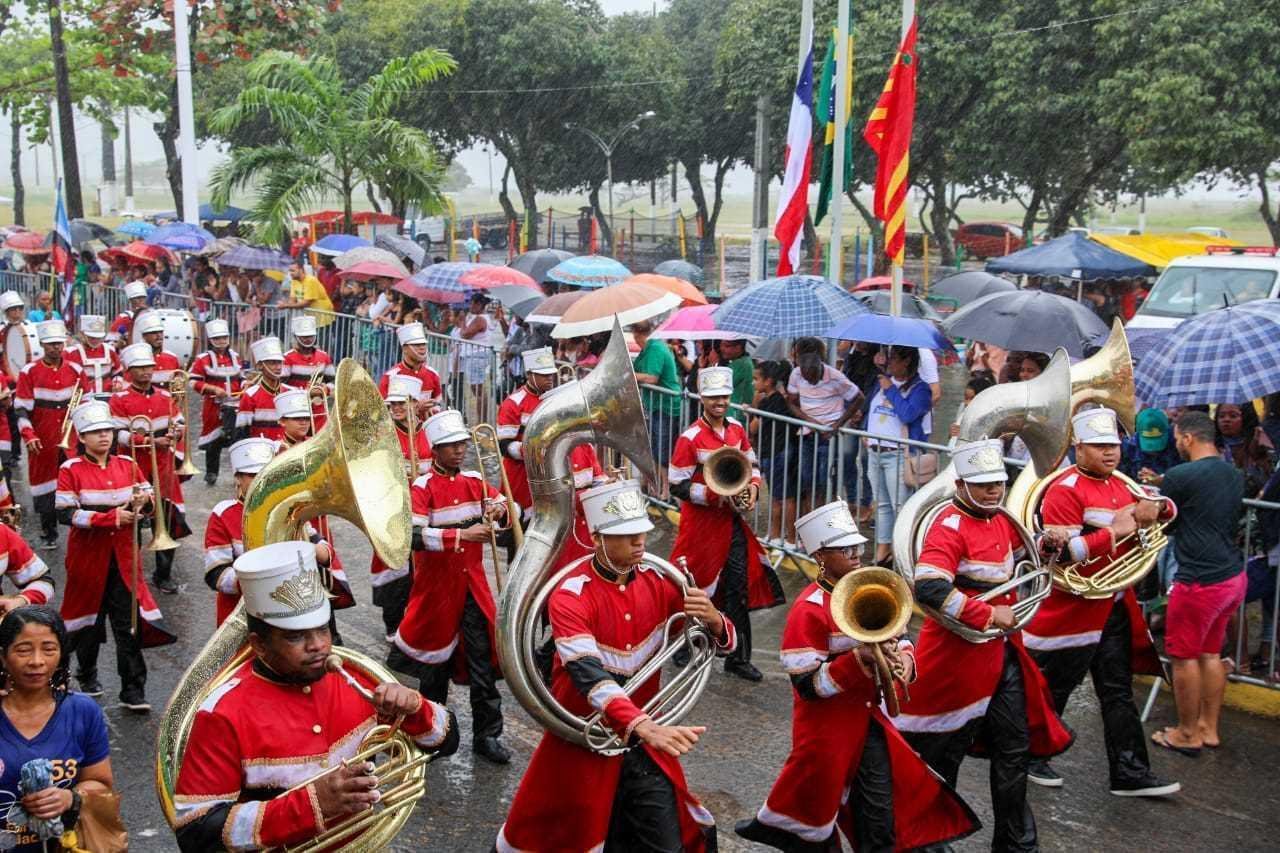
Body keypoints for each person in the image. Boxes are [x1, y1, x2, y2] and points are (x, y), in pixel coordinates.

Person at [496, 479, 735, 852]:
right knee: (569, 839)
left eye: (641, 532)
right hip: (584, 743)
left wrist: (715, 620)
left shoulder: (661, 581)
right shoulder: (572, 594)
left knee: (667, 844)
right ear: (597, 538)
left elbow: (716, 643)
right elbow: (588, 675)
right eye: (626, 535)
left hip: (641, 743)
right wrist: (642, 725)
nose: (640, 541)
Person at [173, 540, 458, 851]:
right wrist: (311, 805)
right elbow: (196, 832)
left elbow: (446, 742)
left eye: (322, 629)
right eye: (296, 636)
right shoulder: (222, 712)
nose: (319, 646)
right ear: (259, 645)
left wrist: (416, 709)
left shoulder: (355, 677)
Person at [735, 501, 979, 852]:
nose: (856, 554)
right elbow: (807, 687)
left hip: (868, 723)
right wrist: (854, 662)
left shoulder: (871, 589)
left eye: (857, 546)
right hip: (826, 734)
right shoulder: (808, 610)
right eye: (845, 549)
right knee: (816, 826)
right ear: (820, 556)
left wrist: (907, 660)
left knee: (878, 821)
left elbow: (900, 633)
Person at [896, 438, 1073, 852]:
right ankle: (930, 840)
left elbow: (1022, 557)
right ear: (960, 484)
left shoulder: (1003, 520)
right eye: (984, 483)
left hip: (1000, 653)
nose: (995, 490)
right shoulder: (948, 525)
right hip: (955, 660)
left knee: (1014, 749)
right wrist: (987, 614)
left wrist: (1047, 547)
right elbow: (930, 588)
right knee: (942, 756)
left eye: (998, 482)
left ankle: (1015, 843)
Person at [1021, 408, 1181, 796]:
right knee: (1054, 686)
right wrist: (1117, 529)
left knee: (1117, 689)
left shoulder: (1123, 486)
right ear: (1079, 448)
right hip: (1072, 609)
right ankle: (1028, 756)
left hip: (1111, 604)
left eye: (1114, 444)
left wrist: (1158, 508)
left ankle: (1129, 770)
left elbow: (1168, 512)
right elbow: (1066, 555)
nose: (1111, 452)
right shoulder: (1064, 489)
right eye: (1100, 445)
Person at [387, 409, 511, 765]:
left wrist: (499, 511)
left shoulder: (473, 480)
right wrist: (461, 534)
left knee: (482, 665)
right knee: (434, 671)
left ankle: (488, 735)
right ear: (435, 451)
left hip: (474, 587)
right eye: (450, 446)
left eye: (461, 444)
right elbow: (410, 536)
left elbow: (500, 502)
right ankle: (433, 733)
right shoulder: (421, 487)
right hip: (436, 592)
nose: (459, 451)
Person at [56, 399, 176, 708]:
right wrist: (109, 518)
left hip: (125, 560)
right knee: (88, 621)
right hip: (87, 560)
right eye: (95, 433)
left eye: (107, 431)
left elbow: (148, 495)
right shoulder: (71, 469)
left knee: (129, 624)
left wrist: (143, 505)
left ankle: (133, 690)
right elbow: (65, 513)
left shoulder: (128, 464)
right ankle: (87, 671)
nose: (104, 437)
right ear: (82, 437)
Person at [670, 366, 784, 682]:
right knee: (694, 587)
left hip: (731, 525)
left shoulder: (736, 429)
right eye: (713, 397)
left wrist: (754, 489)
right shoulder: (689, 437)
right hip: (701, 528)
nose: (719, 402)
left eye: (724, 396)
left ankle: (738, 658)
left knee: (738, 588)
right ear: (702, 398)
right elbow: (676, 485)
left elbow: (753, 465)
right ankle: (684, 644)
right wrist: (716, 495)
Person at [1150, 411, 1246, 756]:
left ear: (1188, 438)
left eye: (1177, 438)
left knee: (1183, 657)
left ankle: (1186, 734)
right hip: (1232, 576)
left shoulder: (1181, 474)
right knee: (1210, 654)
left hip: (1198, 581)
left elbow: (1166, 525)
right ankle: (1208, 728)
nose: (1176, 443)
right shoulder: (1234, 473)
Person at [0, 606, 117, 853]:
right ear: (3, 656)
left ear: (61, 653)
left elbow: (100, 782)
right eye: (23, 650)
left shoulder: (83, 711)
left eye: (49, 649)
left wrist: (70, 798)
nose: (37, 661)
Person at [204, 437, 335, 627]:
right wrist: (264, 581)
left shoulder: (289, 508)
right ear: (238, 478)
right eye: (252, 475)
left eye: (265, 474)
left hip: (296, 606)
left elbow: (325, 552)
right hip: (246, 614)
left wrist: (312, 550)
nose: (260, 481)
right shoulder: (223, 514)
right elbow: (216, 575)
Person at [496, 346, 601, 560]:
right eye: (543, 376)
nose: (549, 379)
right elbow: (504, 445)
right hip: (521, 478)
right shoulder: (513, 403)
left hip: (553, 480)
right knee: (520, 540)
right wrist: (537, 450)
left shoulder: (556, 400)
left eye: (551, 375)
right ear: (529, 375)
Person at [108, 342, 192, 595]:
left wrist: (177, 432)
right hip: (133, 468)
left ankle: (163, 574)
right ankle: (127, 573)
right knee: (131, 521)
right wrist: (147, 441)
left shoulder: (166, 397)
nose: (146, 372)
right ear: (129, 371)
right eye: (139, 368)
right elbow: (116, 435)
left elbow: (179, 421)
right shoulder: (119, 399)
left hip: (163, 468)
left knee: (167, 518)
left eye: (149, 367)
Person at [369, 376, 433, 640]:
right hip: (391, 508)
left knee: (423, 568)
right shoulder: (382, 433)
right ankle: (393, 624)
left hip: (424, 509)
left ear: (416, 403)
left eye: (401, 403)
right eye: (392, 404)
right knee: (393, 566)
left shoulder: (430, 430)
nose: (394, 408)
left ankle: (419, 620)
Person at [15, 321, 82, 550]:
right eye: (51, 344)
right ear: (43, 345)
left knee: (77, 481)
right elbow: (21, 408)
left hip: (70, 437)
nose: (56, 348)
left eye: (59, 343)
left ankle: (79, 527)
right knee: (44, 483)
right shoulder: (29, 371)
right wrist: (29, 435)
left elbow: (85, 401)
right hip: (42, 436)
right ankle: (49, 531)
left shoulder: (75, 370)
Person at [862, 346, 932, 565]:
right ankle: (883, 550)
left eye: (894, 358)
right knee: (882, 504)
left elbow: (909, 414)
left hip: (899, 455)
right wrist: (865, 431)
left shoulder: (921, 389)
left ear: (907, 361)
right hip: (875, 452)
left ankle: (905, 552)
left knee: (901, 506)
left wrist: (891, 389)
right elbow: (871, 409)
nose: (889, 362)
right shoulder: (881, 381)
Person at [786, 337, 862, 516]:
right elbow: (791, 403)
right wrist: (808, 420)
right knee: (806, 479)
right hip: (807, 434)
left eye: (813, 377)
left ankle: (828, 521)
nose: (810, 381)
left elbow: (859, 398)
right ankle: (811, 520)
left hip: (829, 437)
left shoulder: (836, 377)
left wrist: (837, 424)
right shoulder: (796, 374)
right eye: (806, 377)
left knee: (825, 481)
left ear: (820, 367)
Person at [189, 319, 244, 486]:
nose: (221, 341)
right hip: (213, 406)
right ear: (211, 340)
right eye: (218, 338)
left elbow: (241, 377)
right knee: (214, 441)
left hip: (235, 404)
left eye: (224, 338)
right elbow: (193, 382)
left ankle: (239, 474)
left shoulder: (235, 357)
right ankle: (211, 473)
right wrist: (212, 389)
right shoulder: (202, 359)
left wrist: (245, 385)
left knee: (237, 439)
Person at [631, 319, 682, 495]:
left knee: (663, 450)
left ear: (637, 334)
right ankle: (656, 487)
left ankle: (666, 490)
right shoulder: (649, 349)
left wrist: (630, 375)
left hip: (666, 406)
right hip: (655, 405)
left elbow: (651, 378)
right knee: (654, 447)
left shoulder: (656, 348)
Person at [750, 359, 799, 544]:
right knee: (780, 497)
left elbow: (754, 427)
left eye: (756, 379)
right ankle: (778, 535)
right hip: (777, 451)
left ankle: (787, 538)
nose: (754, 383)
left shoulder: (770, 402)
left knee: (783, 498)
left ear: (768, 381)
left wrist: (752, 410)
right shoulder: (780, 400)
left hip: (776, 452)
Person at [378, 321, 445, 417]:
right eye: (416, 345)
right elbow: (382, 411)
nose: (422, 348)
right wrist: (416, 409)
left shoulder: (433, 374)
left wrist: (434, 408)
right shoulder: (391, 376)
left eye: (424, 344)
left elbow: (438, 403)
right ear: (405, 349)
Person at [281, 315, 334, 432]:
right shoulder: (287, 358)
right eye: (303, 336)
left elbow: (333, 382)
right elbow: (281, 386)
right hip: (296, 409)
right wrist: (305, 391)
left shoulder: (324, 356)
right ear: (296, 337)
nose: (307, 339)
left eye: (310, 336)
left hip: (319, 408)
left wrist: (326, 389)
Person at [1215, 401, 1274, 497]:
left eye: (1233, 416)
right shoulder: (1212, 447)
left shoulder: (1259, 443)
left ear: (1246, 418)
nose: (1226, 420)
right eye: (1221, 416)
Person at [235, 336, 286, 441]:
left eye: (279, 362)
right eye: (272, 363)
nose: (278, 367)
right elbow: (242, 434)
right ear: (260, 366)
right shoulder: (250, 396)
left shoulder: (289, 392)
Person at [64, 315, 121, 401]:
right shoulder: (70, 353)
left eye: (98, 338)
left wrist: (118, 382)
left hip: (108, 396)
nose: (95, 341)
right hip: (83, 399)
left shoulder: (110, 350)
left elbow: (118, 372)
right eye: (92, 338)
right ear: (82, 334)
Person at [1121, 407, 1182, 484]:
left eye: (1157, 440)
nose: (1153, 450)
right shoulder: (1129, 447)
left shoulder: (1178, 444)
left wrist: (1162, 480)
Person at [718, 337, 754, 410]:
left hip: (735, 412)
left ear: (738, 348)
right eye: (721, 345)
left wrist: (713, 364)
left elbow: (717, 385)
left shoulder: (742, 364)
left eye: (726, 346)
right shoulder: (741, 361)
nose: (722, 348)